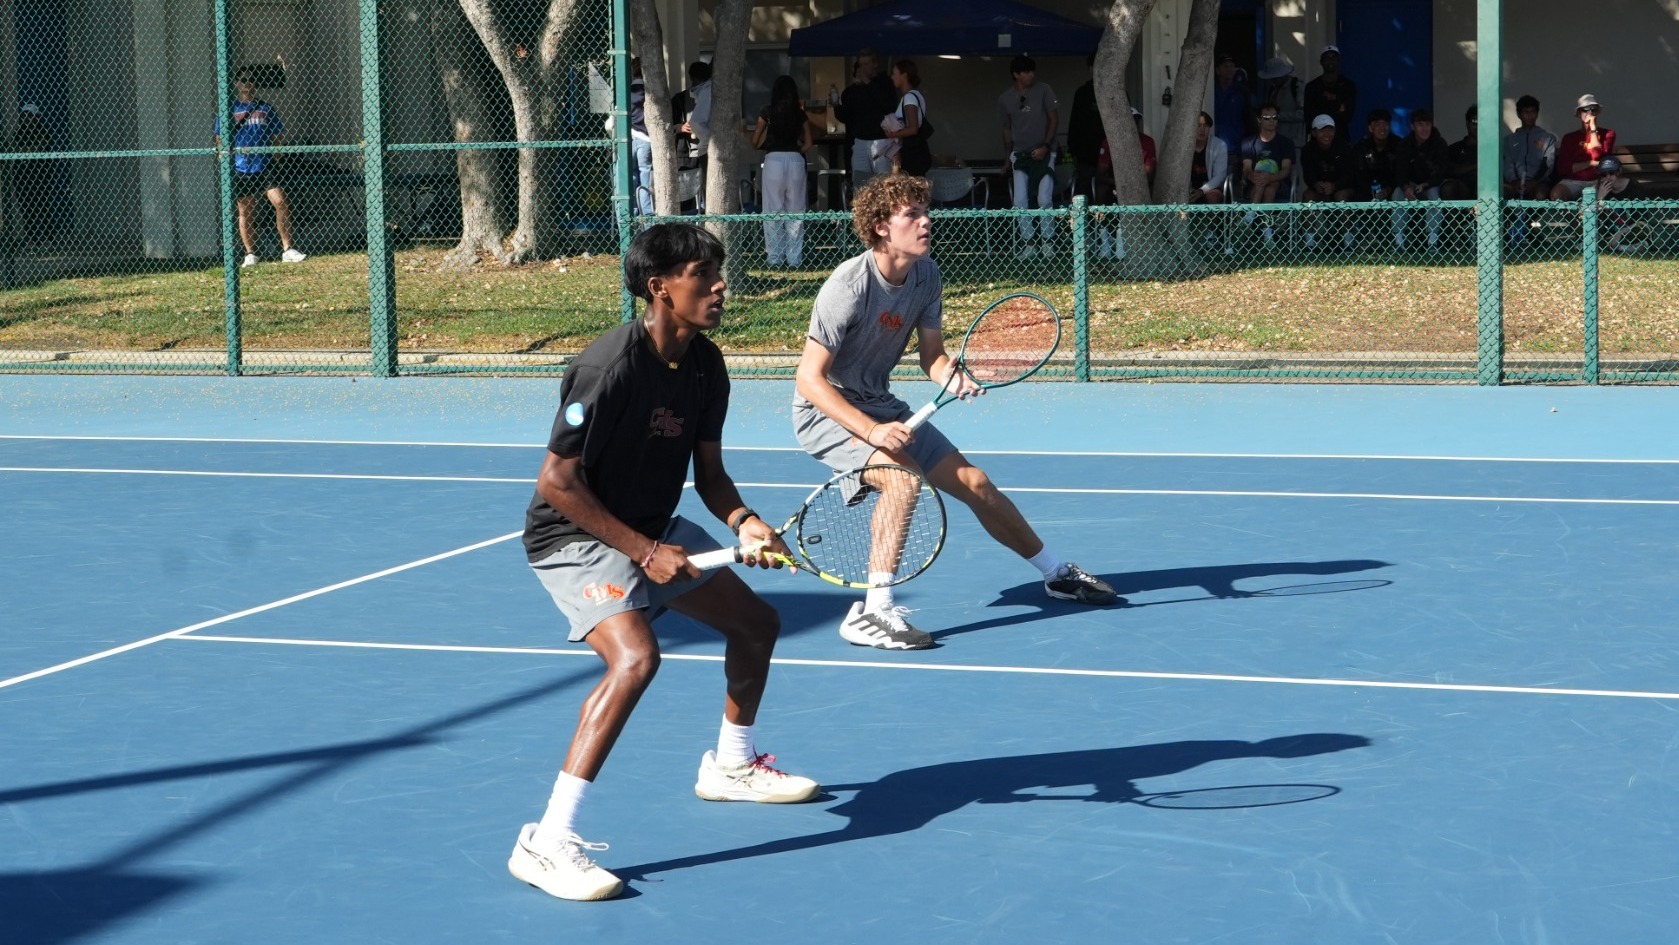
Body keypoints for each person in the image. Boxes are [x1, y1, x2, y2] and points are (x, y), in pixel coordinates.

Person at [510, 222, 820, 902]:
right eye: (702, 275)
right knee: (635, 659)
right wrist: (644, 552)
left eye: (719, 272)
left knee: (756, 624)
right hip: (571, 533)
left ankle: (732, 766)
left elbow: (709, 473)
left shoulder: (706, 364)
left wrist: (745, 521)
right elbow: (555, 482)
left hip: (651, 524)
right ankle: (546, 839)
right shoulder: (606, 367)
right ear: (659, 288)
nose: (719, 286)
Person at [791, 175, 1119, 651]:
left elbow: (933, 357)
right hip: (827, 411)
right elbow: (808, 379)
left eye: (926, 212)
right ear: (882, 227)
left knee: (977, 484)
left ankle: (1056, 574)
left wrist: (950, 376)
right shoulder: (849, 285)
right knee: (902, 481)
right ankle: (874, 611)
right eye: (912, 215)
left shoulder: (926, 275)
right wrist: (872, 431)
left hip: (880, 404)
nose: (926, 222)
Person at [213, 60, 306, 267]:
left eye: (252, 80)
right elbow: (219, 136)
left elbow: (278, 134)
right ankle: (250, 253)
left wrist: (275, 155)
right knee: (246, 211)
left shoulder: (265, 108)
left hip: (264, 165)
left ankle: (287, 248)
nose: (248, 84)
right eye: (244, 80)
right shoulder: (229, 109)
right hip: (240, 166)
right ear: (237, 84)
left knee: (280, 202)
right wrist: (223, 155)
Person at [999, 55, 1060, 259]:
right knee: (1019, 201)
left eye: (1032, 71)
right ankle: (1029, 243)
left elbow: (1054, 119)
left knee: (1044, 198)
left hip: (1045, 152)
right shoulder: (1005, 98)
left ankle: (1048, 242)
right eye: (1025, 72)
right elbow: (1006, 129)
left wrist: (1045, 145)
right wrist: (1007, 158)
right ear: (1015, 75)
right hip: (1020, 154)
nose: (1030, 75)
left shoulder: (1044, 89)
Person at [751, 75, 813, 268]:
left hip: (773, 161)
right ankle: (794, 259)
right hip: (795, 160)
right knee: (795, 211)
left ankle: (774, 258)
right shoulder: (799, 114)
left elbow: (755, 141)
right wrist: (796, 152)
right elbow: (809, 143)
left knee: (772, 209)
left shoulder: (767, 112)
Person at [834, 49, 896, 190]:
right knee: (861, 185)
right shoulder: (855, 89)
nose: (862, 68)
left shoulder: (884, 82)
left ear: (875, 64)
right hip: (860, 140)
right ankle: (863, 209)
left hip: (880, 140)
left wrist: (868, 82)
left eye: (866, 64)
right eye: (860, 64)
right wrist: (836, 106)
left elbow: (888, 106)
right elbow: (847, 116)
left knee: (883, 184)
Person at [1550, 94, 1628, 200]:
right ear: (1578, 114)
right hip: (1573, 181)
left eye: (1593, 110)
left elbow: (1599, 158)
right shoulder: (1569, 138)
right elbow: (1563, 169)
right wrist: (1591, 163)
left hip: (1598, 180)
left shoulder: (1608, 134)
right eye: (1585, 110)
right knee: (1556, 194)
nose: (1590, 113)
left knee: (1594, 195)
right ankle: (1568, 217)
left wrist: (1593, 129)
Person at [1392, 107, 1450, 249]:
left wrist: (1426, 184)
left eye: (1427, 124)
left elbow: (1441, 171)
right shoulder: (1404, 144)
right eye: (1420, 124)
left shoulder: (1439, 143)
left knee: (1434, 196)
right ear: (1412, 126)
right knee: (1397, 194)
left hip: (1431, 184)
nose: (1425, 129)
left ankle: (1432, 241)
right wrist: (1406, 187)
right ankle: (1399, 241)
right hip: (1411, 184)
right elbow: (1400, 171)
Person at [1349, 109, 1402, 249]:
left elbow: (1401, 173)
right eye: (1378, 124)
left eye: (1386, 124)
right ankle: (1366, 238)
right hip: (1367, 190)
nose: (1383, 128)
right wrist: (1373, 191)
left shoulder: (1398, 145)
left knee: (1398, 193)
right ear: (1370, 128)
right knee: (1360, 196)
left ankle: (1394, 240)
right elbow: (1358, 175)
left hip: (1391, 189)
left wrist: (1388, 189)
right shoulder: (1361, 147)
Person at [881, 59, 932, 177]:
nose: (892, 77)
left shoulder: (909, 98)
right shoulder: (917, 95)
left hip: (912, 152)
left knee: (910, 189)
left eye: (894, 74)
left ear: (904, 76)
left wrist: (892, 134)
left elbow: (913, 128)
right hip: (917, 151)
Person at [13, 103, 55, 245]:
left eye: (29, 115)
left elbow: (39, 147)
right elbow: (17, 149)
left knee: (42, 204)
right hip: (22, 174)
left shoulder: (42, 131)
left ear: (37, 117)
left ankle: (48, 237)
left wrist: (27, 150)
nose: (26, 118)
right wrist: (28, 150)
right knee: (26, 205)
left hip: (39, 173)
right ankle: (32, 237)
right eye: (24, 115)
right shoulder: (19, 132)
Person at [1502, 94, 1558, 199]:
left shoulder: (1548, 138)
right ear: (1519, 114)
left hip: (1539, 182)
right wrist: (1514, 181)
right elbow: (1507, 163)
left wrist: (1534, 182)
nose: (1529, 115)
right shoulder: (1509, 140)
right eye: (1526, 112)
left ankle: (1538, 216)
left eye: (1533, 112)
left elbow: (1547, 164)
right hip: (1515, 182)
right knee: (1503, 193)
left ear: (1537, 114)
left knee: (1540, 194)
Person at [1066, 54, 1105, 201]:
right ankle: (1084, 223)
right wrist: (1073, 149)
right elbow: (1075, 122)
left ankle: (1108, 222)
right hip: (1085, 153)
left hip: (1110, 154)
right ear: (1090, 68)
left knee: (1108, 189)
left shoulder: (1118, 92)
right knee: (1084, 190)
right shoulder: (1082, 93)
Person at [1240, 104, 1295, 204]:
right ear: (1259, 120)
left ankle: (1250, 215)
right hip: (1255, 182)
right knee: (1261, 185)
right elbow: (1246, 168)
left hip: (1279, 183)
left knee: (1269, 188)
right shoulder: (1248, 143)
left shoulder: (1286, 143)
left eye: (1274, 117)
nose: (1271, 121)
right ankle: (1266, 219)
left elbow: (1286, 169)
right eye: (1266, 118)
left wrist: (1269, 178)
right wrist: (1254, 177)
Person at [1304, 45, 1357, 146]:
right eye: (1327, 58)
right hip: (1317, 140)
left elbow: (1347, 115)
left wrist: (1322, 111)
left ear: (1339, 61)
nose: (1330, 61)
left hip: (1341, 137)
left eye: (1334, 57)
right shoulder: (1312, 86)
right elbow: (1309, 116)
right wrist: (1337, 109)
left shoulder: (1348, 85)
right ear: (1321, 61)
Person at [680, 61, 714, 202]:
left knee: (707, 183)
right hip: (708, 143)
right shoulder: (710, 90)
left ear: (694, 78)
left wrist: (705, 142)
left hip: (707, 146)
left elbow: (696, 121)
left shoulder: (707, 92)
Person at [1211, 54, 1252, 169]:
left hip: (1236, 148)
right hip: (1213, 147)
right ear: (1217, 70)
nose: (1229, 69)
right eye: (1225, 66)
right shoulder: (1210, 90)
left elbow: (1249, 118)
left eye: (1232, 66)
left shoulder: (1242, 91)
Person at [1256, 56, 1306, 148]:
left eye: (1276, 78)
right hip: (1275, 141)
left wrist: (1278, 116)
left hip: (1294, 143)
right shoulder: (1272, 89)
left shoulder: (1297, 87)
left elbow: (1303, 114)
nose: (1273, 81)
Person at [1186, 111, 1229, 204]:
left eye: (1205, 126)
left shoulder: (1219, 145)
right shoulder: (1184, 146)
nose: (1202, 129)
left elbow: (1220, 176)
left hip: (1210, 187)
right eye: (1198, 125)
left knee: (1213, 197)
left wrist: (1202, 191)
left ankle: (1211, 219)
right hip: (1188, 188)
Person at [1439, 105, 1477, 201]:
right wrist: (1476, 166)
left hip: (1487, 193)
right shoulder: (1454, 149)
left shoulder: (1493, 149)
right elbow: (1449, 170)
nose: (1478, 126)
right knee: (1449, 188)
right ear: (1467, 124)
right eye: (1474, 122)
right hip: (1461, 195)